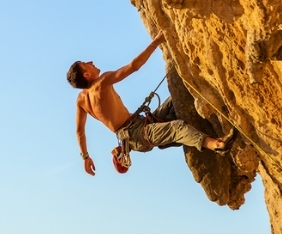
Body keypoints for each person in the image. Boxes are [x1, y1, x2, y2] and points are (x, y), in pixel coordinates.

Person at [66, 32, 228, 176]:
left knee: (175, 100)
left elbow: (79, 132)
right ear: (86, 74)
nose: (91, 61)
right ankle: (216, 145)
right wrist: (156, 41)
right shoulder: (102, 82)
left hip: (136, 127)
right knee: (178, 128)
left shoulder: (81, 100)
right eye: (86, 63)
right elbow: (133, 66)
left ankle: (173, 137)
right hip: (136, 134)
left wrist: (85, 157)